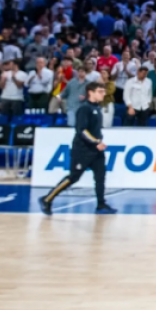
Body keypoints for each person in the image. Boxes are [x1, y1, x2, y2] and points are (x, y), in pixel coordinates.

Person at [39, 82, 113, 215]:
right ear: (91, 92)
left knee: (100, 176)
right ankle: (47, 199)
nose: (103, 94)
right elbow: (81, 130)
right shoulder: (84, 108)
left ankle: (101, 204)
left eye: (104, 91)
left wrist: (98, 142)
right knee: (73, 177)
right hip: (82, 150)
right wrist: (96, 141)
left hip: (96, 150)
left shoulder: (97, 108)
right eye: (100, 91)